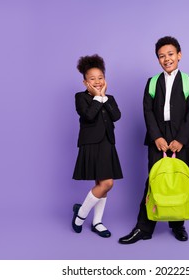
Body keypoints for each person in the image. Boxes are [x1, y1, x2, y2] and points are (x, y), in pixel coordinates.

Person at [119, 36, 189, 244]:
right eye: (162, 56)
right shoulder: (152, 82)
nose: (167, 59)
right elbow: (147, 111)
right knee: (154, 182)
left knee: (179, 181)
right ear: (158, 60)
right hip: (158, 139)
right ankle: (144, 228)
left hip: (182, 139)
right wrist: (156, 136)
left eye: (170, 54)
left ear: (179, 55)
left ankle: (178, 225)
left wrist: (181, 139)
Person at [72, 54, 123, 238]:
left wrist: (103, 97)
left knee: (103, 184)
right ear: (85, 82)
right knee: (106, 183)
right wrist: (96, 98)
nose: (97, 81)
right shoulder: (80, 97)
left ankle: (97, 222)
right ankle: (81, 214)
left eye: (100, 77)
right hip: (91, 144)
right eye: (92, 79)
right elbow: (88, 116)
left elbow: (116, 116)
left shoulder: (109, 98)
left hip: (107, 142)